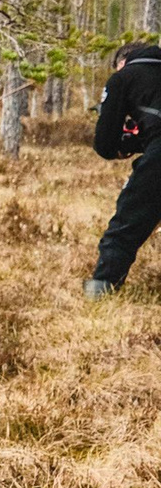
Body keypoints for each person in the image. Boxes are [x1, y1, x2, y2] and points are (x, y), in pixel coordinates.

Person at [86, 40, 161, 296]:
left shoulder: (122, 79)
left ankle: (102, 290)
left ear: (122, 62)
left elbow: (105, 142)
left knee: (126, 224)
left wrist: (120, 147)